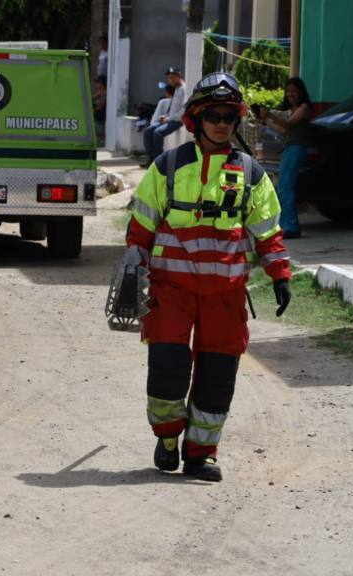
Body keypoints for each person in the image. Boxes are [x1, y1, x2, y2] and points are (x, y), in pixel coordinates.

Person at [123, 72, 292, 482]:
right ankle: (167, 438)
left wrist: (280, 275)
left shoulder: (251, 174)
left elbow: (267, 231)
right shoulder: (167, 167)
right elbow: (141, 225)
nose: (221, 123)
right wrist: (132, 269)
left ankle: (201, 454)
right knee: (167, 369)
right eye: (213, 114)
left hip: (225, 296)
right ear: (195, 120)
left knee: (217, 377)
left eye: (229, 116)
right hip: (171, 291)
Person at [258, 77, 313, 239]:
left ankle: (291, 227)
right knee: (282, 188)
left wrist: (270, 115)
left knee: (286, 188)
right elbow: (283, 130)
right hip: (289, 149)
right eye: (288, 91)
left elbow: (287, 124)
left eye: (294, 91)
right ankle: (284, 225)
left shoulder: (304, 108)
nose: (290, 94)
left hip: (296, 149)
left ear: (301, 92)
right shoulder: (293, 109)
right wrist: (265, 120)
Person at [141, 66, 186, 167]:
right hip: (169, 119)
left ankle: (160, 161)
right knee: (148, 131)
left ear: (179, 76)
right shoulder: (177, 88)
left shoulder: (183, 89)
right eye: (169, 78)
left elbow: (182, 111)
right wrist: (165, 116)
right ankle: (151, 159)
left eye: (173, 77)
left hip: (177, 121)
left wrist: (168, 119)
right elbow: (173, 108)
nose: (170, 80)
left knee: (158, 133)